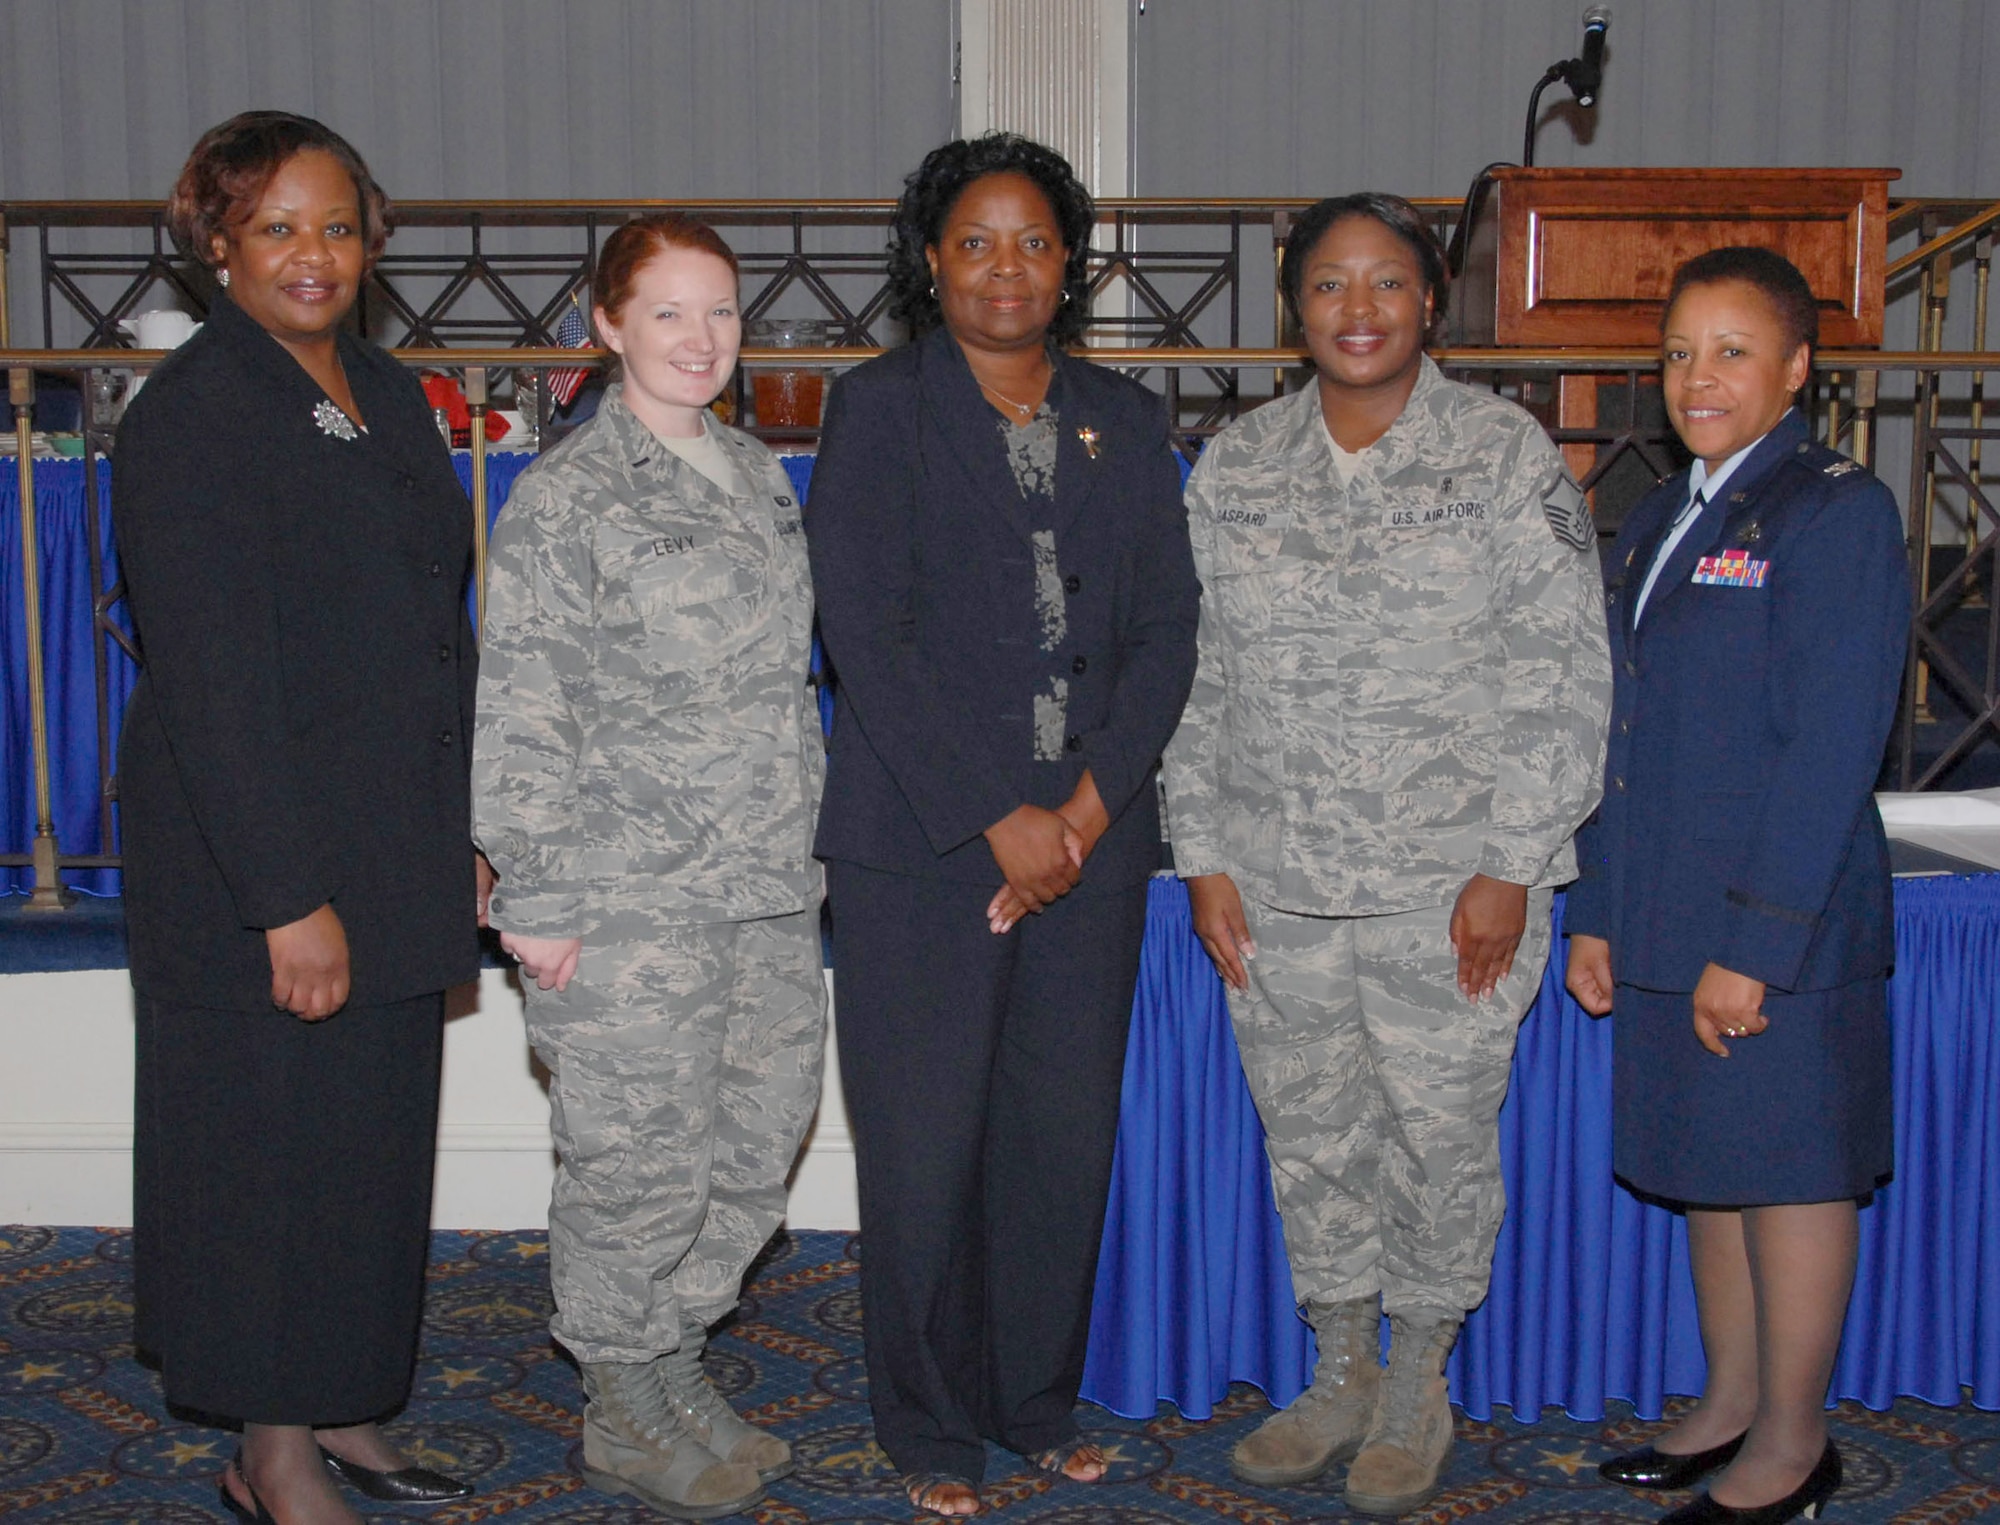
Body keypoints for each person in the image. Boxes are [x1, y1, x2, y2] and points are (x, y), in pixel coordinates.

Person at [1161, 192, 1612, 1516]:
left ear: (1429, 301)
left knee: (1436, 1136)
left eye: (1388, 284)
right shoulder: (1239, 468)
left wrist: (1513, 862)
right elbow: (1195, 678)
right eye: (1329, 286)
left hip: (1446, 892)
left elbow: (1564, 674)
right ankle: (1341, 1361)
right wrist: (1203, 851)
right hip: (1278, 884)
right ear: (1295, 307)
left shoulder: (1503, 456)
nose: (1359, 309)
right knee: (1309, 1135)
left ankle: (1420, 1373)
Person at [804, 133, 1200, 1517]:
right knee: (923, 1144)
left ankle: (1030, 1400)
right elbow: (867, 631)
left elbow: (1165, 631)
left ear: (1071, 262)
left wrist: (1084, 813)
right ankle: (925, 1422)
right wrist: (998, 817)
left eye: (1033, 240)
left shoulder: (1128, 419)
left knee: (1055, 1138)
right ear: (930, 262)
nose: (1006, 266)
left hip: (1093, 847)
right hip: (922, 844)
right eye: (975, 240)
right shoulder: (877, 412)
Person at [117, 112, 483, 1525]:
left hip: (383, 833)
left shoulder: (385, 391)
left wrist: (446, 832)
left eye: (336, 225)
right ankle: (269, 1448)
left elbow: (422, 631)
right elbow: (213, 684)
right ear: (216, 242)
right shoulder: (197, 415)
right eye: (275, 226)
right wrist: (285, 896)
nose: (312, 255)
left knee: (368, 1139)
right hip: (256, 851)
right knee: (267, 1143)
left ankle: (340, 1399)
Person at [472, 213, 826, 1520]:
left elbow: (787, 690)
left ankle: (674, 1358)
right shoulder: (572, 494)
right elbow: (524, 702)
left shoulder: (756, 471)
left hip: (763, 886)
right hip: (623, 897)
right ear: (608, 324)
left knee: (753, 1139)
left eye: (722, 311)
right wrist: (539, 900)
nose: (700, 338)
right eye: (668, 311)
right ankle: (622, 1400)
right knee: (635, 1162)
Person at [1565, 247, 1908, 1525]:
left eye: (1729, 351)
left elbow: (1828, 750)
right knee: (1711, 1167)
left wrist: (1753, 946)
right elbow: (1619, 730)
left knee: (1790, 1173)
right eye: (1676, 353)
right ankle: (1725, 1404)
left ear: (1795, 369)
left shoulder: (1834, 511)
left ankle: (1793, 1445)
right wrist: (1597, 907)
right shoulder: (1662, 512)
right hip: (1662, 907)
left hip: (1781, 923)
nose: (1695, 377)